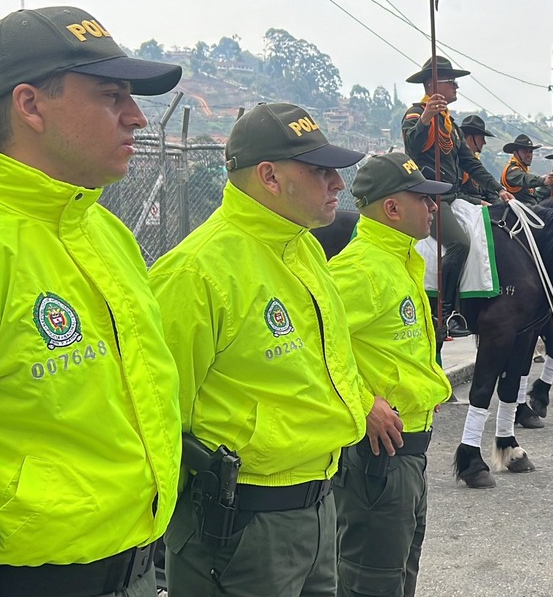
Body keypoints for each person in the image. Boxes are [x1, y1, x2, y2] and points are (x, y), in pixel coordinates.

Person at [0, 5, 183, 597]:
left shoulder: (106, 235)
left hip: (136, 568)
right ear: (30, 106)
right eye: (112, 96)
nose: (137, 117)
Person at [150, 103, 387, 595]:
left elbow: (327, 365)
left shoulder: (304, 250)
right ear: (270, 176)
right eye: (320, 170)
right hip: (242, 524)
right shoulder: (198, 271)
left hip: (318, 504)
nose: (338, 184)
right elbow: (158, 415)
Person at [329, 153, 455, 597]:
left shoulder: (399, 261)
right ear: (393, 209)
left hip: (408, 454)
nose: (433, 207)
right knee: (371, 582)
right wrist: (362, 402)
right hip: (380, 460)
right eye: (423, 198)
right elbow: (311, 343)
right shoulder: (361, 269)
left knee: (400, 576)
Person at [401, 57, 512, 338]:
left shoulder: (451, 125)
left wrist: (497, 188)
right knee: (459, 243)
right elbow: (412, 148)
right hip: (429, 196)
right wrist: (426, 118)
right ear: (433, 83)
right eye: (451, 81)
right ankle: (447, 312)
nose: (456, 86)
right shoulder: (416, 114)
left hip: (452, 195)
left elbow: (469, 163)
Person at [501, 134, 550, 205]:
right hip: (517, 211)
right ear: (515, 153)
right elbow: (525, 178)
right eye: (525, 151)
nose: (529, 155)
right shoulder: (512, 171)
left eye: (531, 152)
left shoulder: (523, 170)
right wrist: (542, 180)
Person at [458, 114, 494, 204]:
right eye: (482, 138)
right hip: (465, 208)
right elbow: (455, 194)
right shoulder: (457, 162)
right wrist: (480, 202)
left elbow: (486, 190)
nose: (484, 142)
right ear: (470, 138)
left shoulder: (475, 161)